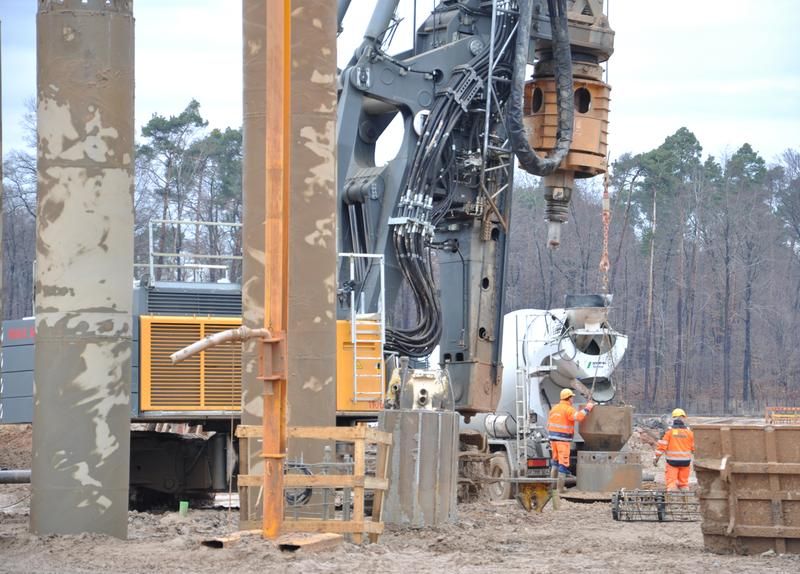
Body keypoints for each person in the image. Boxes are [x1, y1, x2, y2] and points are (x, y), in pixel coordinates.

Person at [547, 388, 594, 476]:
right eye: (572, 397)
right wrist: (587, 408)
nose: (573, 399)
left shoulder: (554, 408)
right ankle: (560, 489)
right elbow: (579, 417)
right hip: (563, 440)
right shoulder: (568, 409)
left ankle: (553, 486)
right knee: (563, 465)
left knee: (555, 462)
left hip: (553, 440)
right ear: (568, 398)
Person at [654, 408, 695, 490]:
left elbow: (662, 447)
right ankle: (685, 499)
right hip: (685, 462)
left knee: (671, 483)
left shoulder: (669, 433)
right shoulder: (690, 433)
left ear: (673, 419)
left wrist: (656, 458)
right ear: (684, 418)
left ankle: (672, 499)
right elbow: (694, 448)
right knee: (684, 484)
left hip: (672, 462)